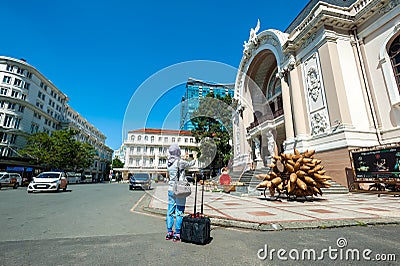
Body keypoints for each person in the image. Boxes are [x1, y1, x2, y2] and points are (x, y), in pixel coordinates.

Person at [165, 144, 196, 242]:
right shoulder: (180, 162)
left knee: (170, 211)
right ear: (178, 152)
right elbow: (190, 164)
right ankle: (177, 233)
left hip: (170, 189)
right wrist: (194, 157)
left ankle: (169, 232)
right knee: (179, 211)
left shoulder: (168, 163)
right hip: (179, 189)